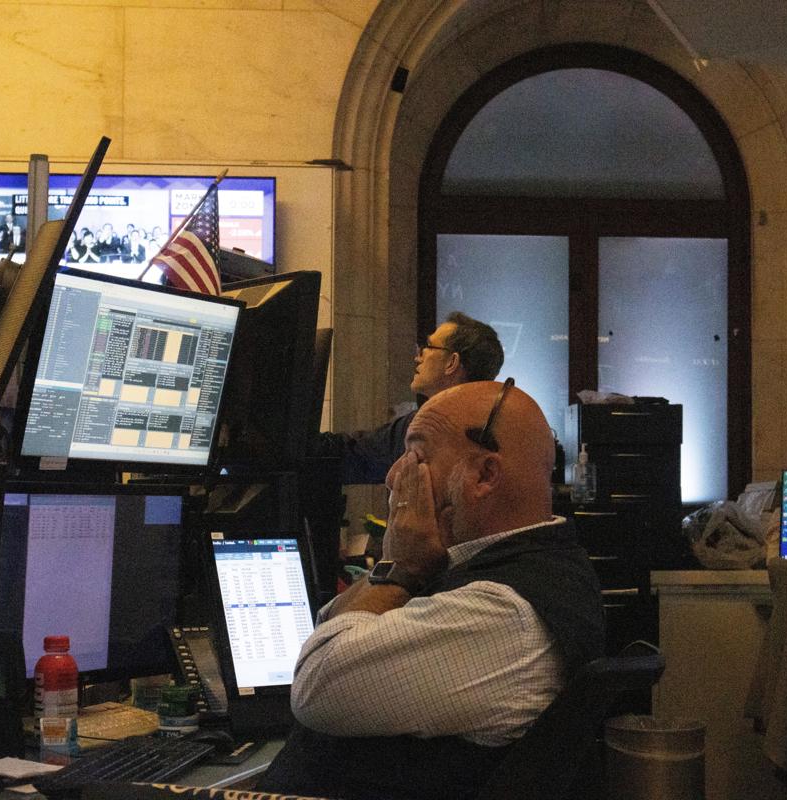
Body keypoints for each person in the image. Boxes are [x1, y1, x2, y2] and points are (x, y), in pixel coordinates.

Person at [259, 379, 605, 800]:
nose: (391, 478)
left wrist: (401, 569)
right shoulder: (477, 568)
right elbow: (330, 625)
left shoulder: (506, 610)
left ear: (484, 475)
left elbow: (316, 686)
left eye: (415, 455)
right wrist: (398, 568)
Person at [314, 311, 504, 483]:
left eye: (428, 347)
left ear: (452, 362)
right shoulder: (504, 424)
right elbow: (354, 453)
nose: (417, 357)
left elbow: (352, 458)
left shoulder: (423, 428)